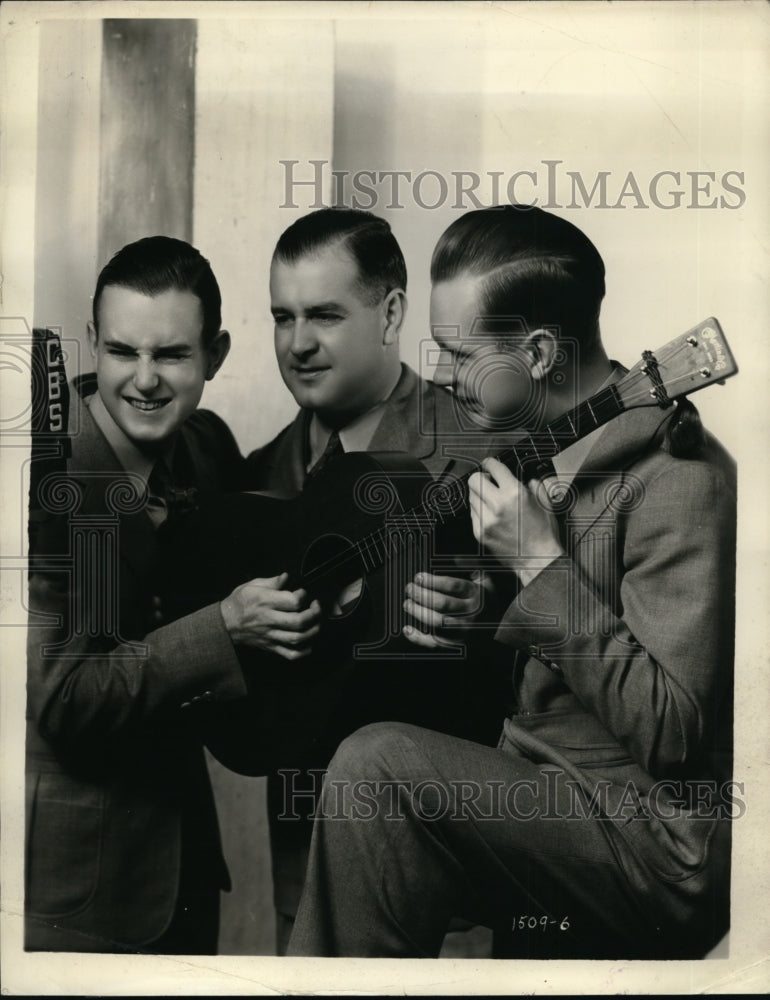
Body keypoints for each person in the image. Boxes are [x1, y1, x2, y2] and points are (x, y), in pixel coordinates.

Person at [286, 205, 737, 959]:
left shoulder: (682, 479)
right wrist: (487, 607)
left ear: (534, 352)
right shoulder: (543, 450)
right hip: (543, 796)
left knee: (375, 768)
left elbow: (672, 730)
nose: (440, 375)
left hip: (652, 845)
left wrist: (535, 565)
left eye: (460, 354)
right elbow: (574, 654)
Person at [25, 236, 320, 953]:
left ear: (215, 356)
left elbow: (297, 514)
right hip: (77, 894)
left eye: (173, 355)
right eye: (123, 352)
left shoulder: (204, 448)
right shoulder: (47, 479)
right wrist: (223, 628)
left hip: (184, 868)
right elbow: (65, 697)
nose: (146, 380)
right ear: (93, 342)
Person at [245, 207, 508, 954]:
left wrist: (484, 609)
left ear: (392, 312)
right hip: (298, 854)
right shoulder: (261, 474)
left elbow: (561, 640)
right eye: (282, 316)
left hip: (446, 875)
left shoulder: (478, 448)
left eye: (325, 315)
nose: (298, 344)